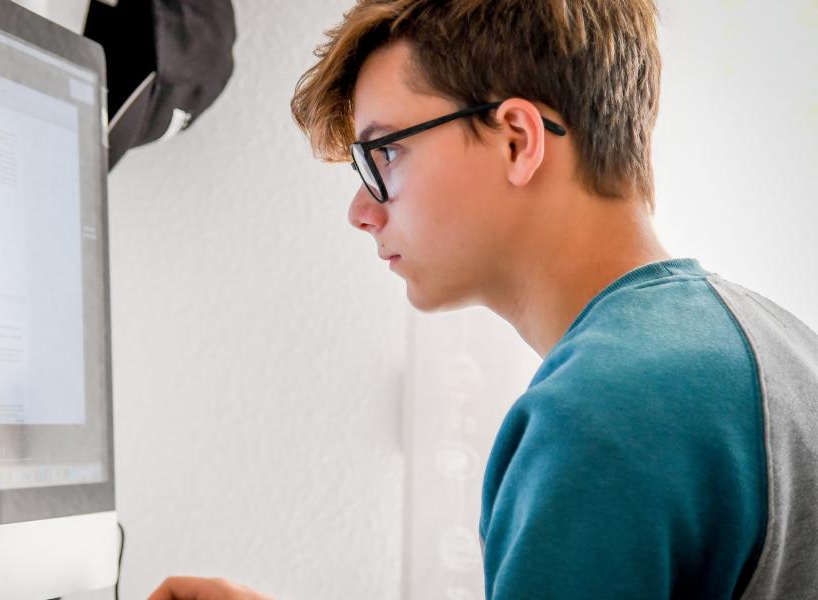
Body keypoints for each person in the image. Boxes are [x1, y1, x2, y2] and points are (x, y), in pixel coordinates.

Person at [148, 1, 818, 598]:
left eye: (385, 154)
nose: (360, 210)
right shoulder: (780, 347)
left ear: (518, 141)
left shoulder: (601, 413)